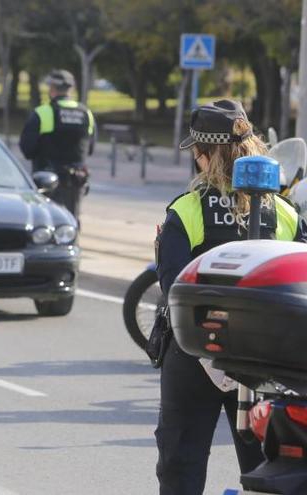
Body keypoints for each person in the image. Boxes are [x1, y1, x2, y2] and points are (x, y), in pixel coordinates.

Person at [154, 99, 307, 495]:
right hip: (266, 361)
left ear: (204, 156)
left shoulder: (185, 212)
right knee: (271, 470)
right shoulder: (286, 212)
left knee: (180, 464)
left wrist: (211, 358)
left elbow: (173, 290)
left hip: (195, 355)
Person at [19, 69, 95, 220]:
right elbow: (90, 149)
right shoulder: (86, 114)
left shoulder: (42, 113)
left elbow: (27, 149)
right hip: (75, 182)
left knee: (47, 223)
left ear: (51, 89)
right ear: (71, 89)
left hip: (46, 182)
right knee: (70, 224)